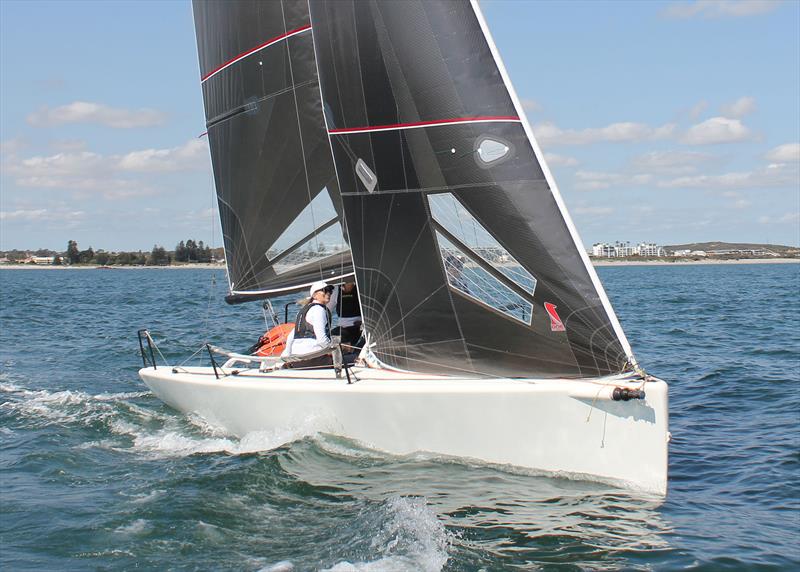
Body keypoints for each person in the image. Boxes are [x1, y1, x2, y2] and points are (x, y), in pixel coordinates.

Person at [281, 280, 336, 368]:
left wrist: (287, 356)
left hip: (298, 360)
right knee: (353, 358)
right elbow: (322, 339)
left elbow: (291, 336)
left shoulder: (303, 310)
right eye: (325, 290)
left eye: (330, 291)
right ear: (314, 295)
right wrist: (334, 351)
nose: (328, 293)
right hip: (314, 358)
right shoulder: (319, 310)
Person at [334, 281, 363, 349]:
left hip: (358, 325)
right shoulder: (337, 289)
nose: (348, 281)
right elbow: (328, 307)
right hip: (343, 327)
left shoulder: (359, 286)